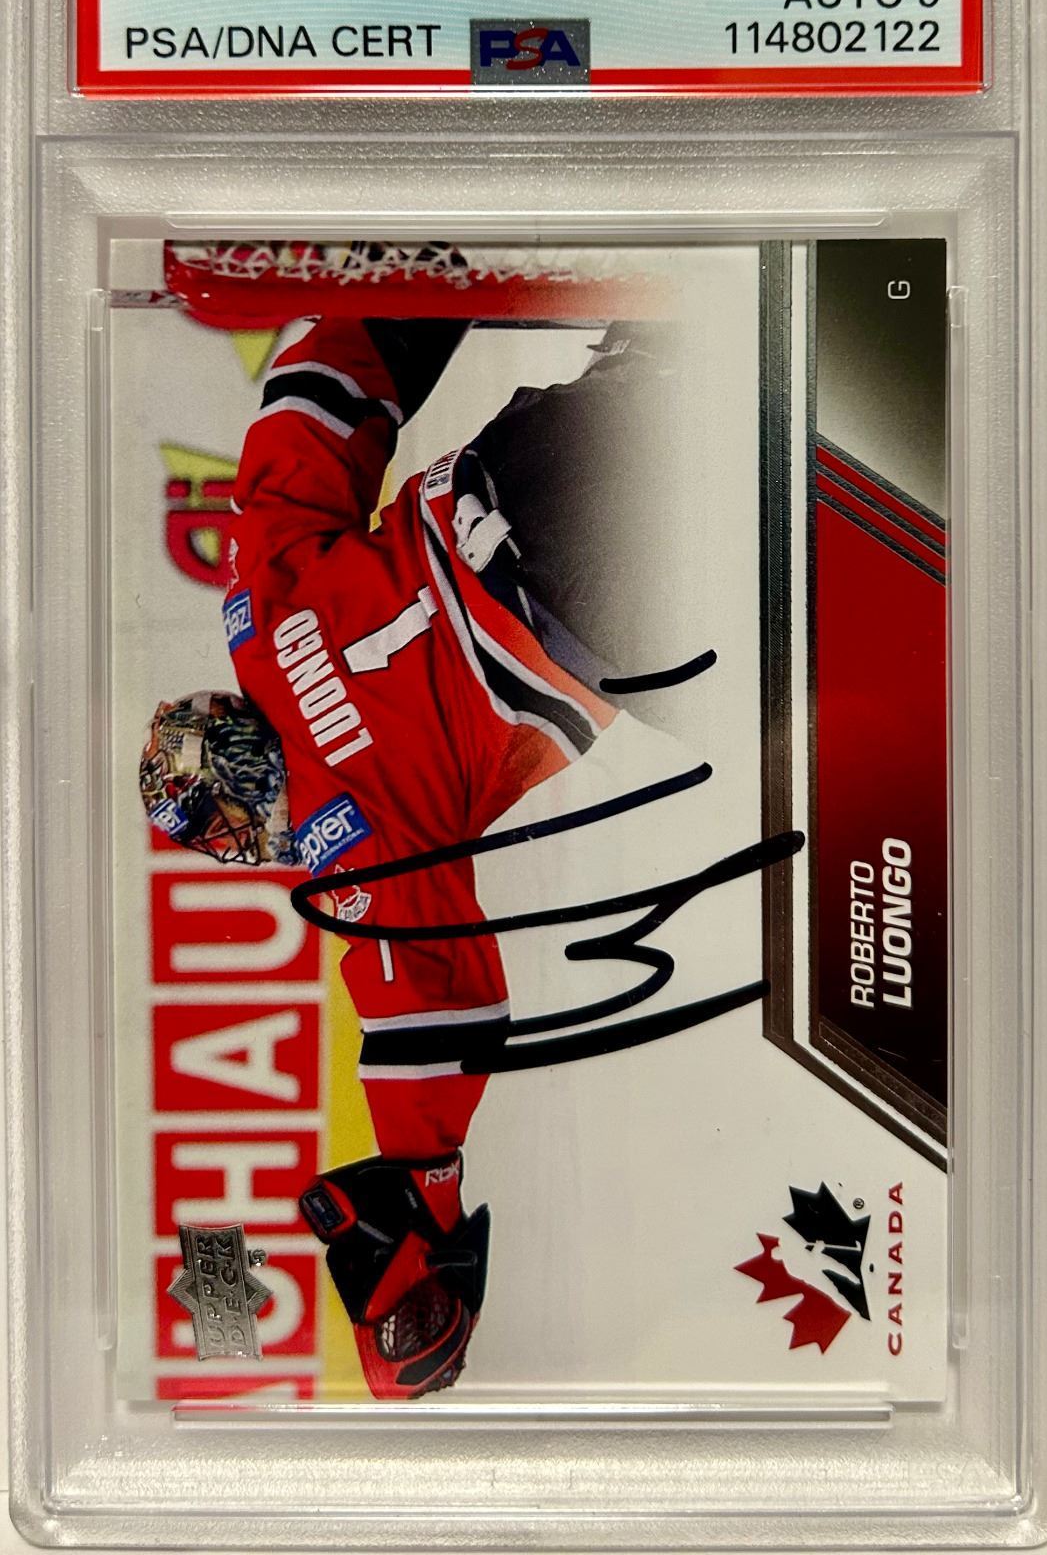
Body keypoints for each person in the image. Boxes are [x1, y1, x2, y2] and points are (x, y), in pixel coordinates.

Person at [141, 312, 701, 1397]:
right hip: (526, 461)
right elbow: (308, 413)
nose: (248, 847)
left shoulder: (344, 834)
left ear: (242, 797)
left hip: (596, 603)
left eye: (228, 832)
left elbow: (432, 1015)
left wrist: (415, 1213)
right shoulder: (258, 612)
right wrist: (404, 293)